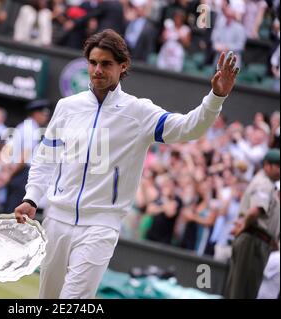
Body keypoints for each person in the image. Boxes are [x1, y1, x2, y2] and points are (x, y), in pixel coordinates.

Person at [14, 29, 239, 298]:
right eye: (93, 62)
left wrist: (215, 98)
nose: (97, 70)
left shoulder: (139, 112)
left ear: (123, 66)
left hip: (101, 226)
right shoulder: (66, 107)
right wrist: (31, 199)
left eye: (106, 63)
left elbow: (187, 128)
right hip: (55, 220)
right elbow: (45, 160)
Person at [224, 149, 280, 299]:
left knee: (245, 291)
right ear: (267, 165)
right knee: (242, 292)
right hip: (253, 240)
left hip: (258, 240)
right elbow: (255, 211)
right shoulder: (263, 183)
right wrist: (244, 226)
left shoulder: (269, 184)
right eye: (278, 166)